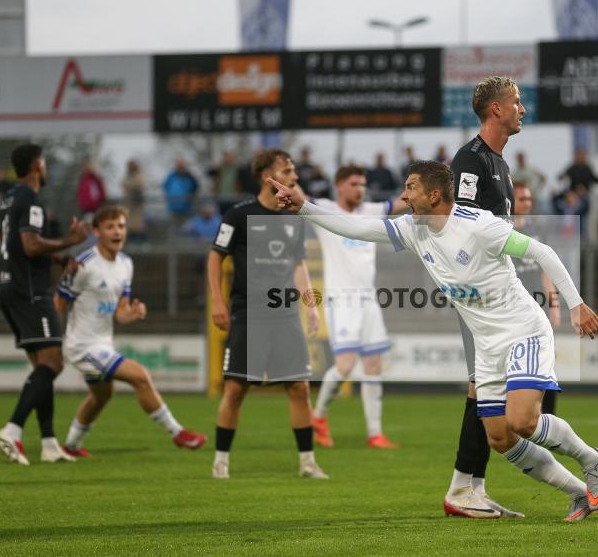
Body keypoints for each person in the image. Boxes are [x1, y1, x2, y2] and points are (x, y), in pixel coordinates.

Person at [273, 161, 598, 523]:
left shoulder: (479, 226)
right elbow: (358, 227)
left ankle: (592, 459)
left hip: (522, 331)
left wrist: (576, 305)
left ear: (434, 195)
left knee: (522, 421)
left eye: (410, 188)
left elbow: (543, 252)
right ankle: (578, 492)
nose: (403, 196)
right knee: (499, 438)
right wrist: (304, 207)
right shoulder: (414, 228)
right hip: (487, 346)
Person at [207, 149, 327, 480]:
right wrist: (217, 300)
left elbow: (299, 264)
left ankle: (307, 463)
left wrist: (311, 306)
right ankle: (220, 462)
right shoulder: (238, 214)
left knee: (299, 388)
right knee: (236, 390)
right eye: (287, 171)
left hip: (285, 314)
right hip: (249, 314)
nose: (294, 177)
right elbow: (216, 256)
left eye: (294, 171)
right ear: (267, 177)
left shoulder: (294, 217)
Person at [54, 206, 207, 457]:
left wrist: (132, 313)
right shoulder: (84, 264)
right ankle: (178, 433)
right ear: (96, 232)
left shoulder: (126, 264)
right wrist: (52, 342)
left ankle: (70, 447)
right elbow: (59, 301)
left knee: (101, 396)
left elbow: (120, 312)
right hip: (82, 346)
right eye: (110, 227)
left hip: (103, 343)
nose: (117, 232)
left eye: (121, 226)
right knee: (140, 376)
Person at [446, 75, 524, 518]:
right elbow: (461, 226)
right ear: (496, 109)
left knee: (488, 383)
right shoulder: (470, 160)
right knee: (482, 383)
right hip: (477, 292)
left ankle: (473, 487)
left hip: (495, 290)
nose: (521, 109)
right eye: (516, 102)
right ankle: (461, 488)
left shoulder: (500, 163)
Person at [0, 144, 89, 465]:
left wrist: (58, 258)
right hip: (31, 292)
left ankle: (49, 444)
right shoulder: (31, 199)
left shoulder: (7, 199)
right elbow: (31, 245)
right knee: (53, 363)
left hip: (10, 286)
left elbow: (6, 240)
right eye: (44, 162)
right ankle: (12, 430)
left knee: (42, 367)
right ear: (36, 165)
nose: (46, 168)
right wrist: (71, 241)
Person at [309, 166, 407, 449]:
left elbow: (400, 202)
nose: (360, 189)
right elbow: (299, 199)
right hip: (341, 299)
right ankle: (318, 417)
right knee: (345, 365)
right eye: (354, 184)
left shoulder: (371, 210)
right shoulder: (326, 210)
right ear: (339, 185)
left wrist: (433, 181)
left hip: (368, 299)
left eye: (363, 184)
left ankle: (375, 433)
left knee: (374, 365)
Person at [511, 181, 562, 415]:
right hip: (512, 307)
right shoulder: (501, 231)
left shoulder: (536, 231)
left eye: (529, 199)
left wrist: (554, 304)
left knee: (546, 359)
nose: (527, 203)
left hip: (537, 305)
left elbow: (545, 271)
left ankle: (547, 417)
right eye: (522, 199)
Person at [120, 160, 147, 240]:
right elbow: (124, 184)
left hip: (137, 204)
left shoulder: (139, 176)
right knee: (129, 225)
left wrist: (131, 187)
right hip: (129, 205)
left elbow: (139, 185)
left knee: (138, 226)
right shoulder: (126, 177)